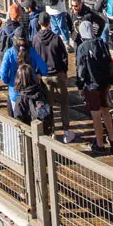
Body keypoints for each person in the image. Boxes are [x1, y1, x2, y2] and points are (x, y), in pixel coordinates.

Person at [76, 20, 113, 154]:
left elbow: (80, 70)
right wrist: (110, 81)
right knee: (105, 110)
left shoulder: (82, 48)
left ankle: (99, 144)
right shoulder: (102, 43)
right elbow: (109, 62)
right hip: (104, 83)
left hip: (91, 85)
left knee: (96, 115)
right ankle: (112, 137)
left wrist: (80, 86)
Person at [32, 12, 74, 140]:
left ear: (39, 23)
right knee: (64, 103)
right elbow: (64, 56)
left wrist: (37, 72)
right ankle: (66, 131)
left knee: (49, 105)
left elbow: (34, 59)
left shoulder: (35, 39)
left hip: (44, 76)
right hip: (58, 74)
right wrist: (64, 71)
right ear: (49, 23)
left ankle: (52, 131)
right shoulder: (56, 38)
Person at [0, 33, 47, 116]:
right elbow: (44, 68)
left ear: (15, 39)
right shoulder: (32, 51)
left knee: (17, 117)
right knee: (32, 115)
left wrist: (8, 81)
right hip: (32, 91)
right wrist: (39, 74)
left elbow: (3, 73)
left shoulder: (9, 53)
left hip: (15, 91)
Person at [13, 63, 54, 134]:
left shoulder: (21, 98)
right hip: (44, 129)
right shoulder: (40, 89)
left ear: (18, 79)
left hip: (30, 132)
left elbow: (18, 118)